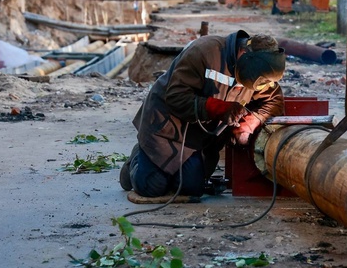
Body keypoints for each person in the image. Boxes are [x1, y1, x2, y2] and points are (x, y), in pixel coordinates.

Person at [120, 31, 286, 198]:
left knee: (191, 188)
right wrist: (217, 108)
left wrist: (251, 122)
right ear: (243, 54)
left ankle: (165, 168)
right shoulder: (204, 52)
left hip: (198, 137)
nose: (264, 86)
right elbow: (176, 97)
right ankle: (135, 160)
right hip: (166, 127)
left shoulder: (260, 72)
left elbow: (274, 101)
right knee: (152, 186)